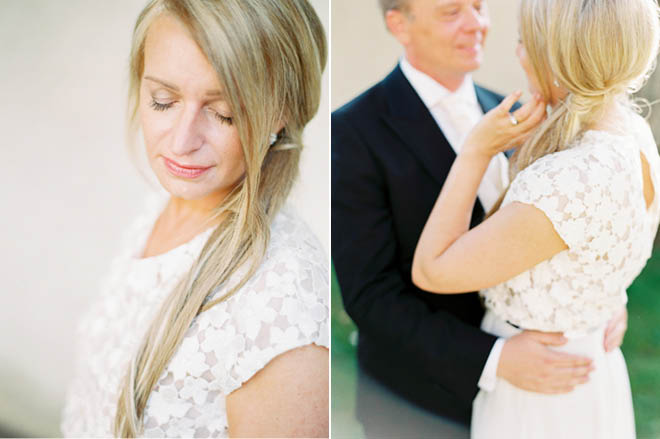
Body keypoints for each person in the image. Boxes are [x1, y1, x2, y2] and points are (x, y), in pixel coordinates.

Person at [331, 0, 628, 435]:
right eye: (452, 13)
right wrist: (495, 358)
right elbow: (370, 296)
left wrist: (602, 297)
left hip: (535, 401)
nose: (477, 25)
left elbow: (569, 223)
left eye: (478, 6)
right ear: (400, 24)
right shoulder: (354, 131)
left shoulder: (512, 109)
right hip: (416, 403)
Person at [61, 0, 329, 437]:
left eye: (224, 112)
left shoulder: (282, 299)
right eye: (163, 101)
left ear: (281, 114)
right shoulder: (165, 203)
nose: (182, 143)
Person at [412, 0, 660, 437]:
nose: (517, 52)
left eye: (525, 41)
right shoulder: (635, 132)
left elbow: (432, 269)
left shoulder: (564, 179)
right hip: (592, 368)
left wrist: (475, 151)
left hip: (541, 395)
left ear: (557, 59)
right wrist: (608, 299)